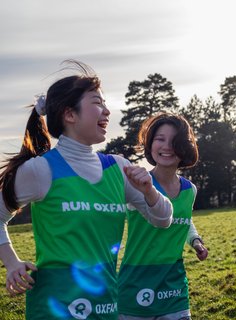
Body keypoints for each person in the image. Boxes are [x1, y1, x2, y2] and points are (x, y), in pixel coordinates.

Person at [0, 60, 173, 320]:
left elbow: (163, 220)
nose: (107, 112)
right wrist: (11, 262)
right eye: (97, 103)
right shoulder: (40, 170)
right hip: (53, 308)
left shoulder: (119, 168)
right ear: (70, 114)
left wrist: (149, 191)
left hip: (105, 305)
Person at [118, 113, 208, 320]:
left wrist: (196, 241)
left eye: (174, 141)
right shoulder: (136, 184)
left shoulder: (189, 190)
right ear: (150, 145)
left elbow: (184, 219)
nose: (167, 146)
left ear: (185, 147)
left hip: (173, 284)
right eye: (160, 139)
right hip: (135, 283)